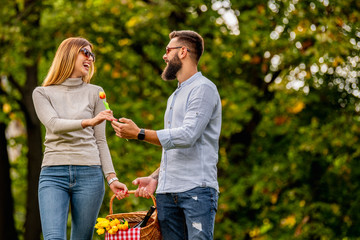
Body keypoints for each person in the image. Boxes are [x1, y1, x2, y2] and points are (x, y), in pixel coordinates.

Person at [111, 30, 222, 240]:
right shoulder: (174, 96)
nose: (164, 55)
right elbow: (175, 148)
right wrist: (155, 178)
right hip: (166, 194)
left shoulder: (204, 89)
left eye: (168, 50)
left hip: (196, 192)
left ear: (182, 52)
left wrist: (139, 134)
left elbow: (188, 136)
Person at [32, 37, 128, 240]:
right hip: (53, 174)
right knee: (53, 238)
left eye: (92, 55)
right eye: (85, 52)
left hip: (90, 175)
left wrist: (112, 177)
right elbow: (54, 124)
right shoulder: (42, 93)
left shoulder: (96, 93)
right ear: (68, 54)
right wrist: (89, 121)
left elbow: (101, 141)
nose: (90, 58)